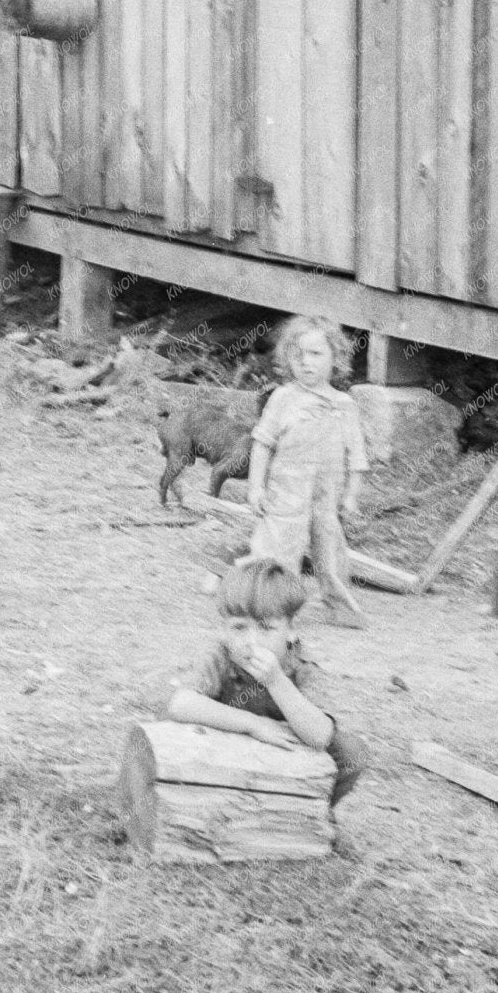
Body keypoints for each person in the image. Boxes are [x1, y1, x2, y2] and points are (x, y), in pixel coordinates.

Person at [164, 558, 367, 804]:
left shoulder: (302, 665)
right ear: (224, 630)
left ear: (291, 630)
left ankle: (315, 813)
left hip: (287, 755)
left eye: (266, 628)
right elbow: (180, 704)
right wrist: (253, 724)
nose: (252, 642)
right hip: (228, 745)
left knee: (351, 751)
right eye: (239, 628)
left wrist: (276, 680)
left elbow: (321, 736)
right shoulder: (221, 656)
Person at [247, 315, 370, 628]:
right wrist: (255, 487)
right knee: (278, 550)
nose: (306, 363)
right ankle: (270, 608)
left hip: (325, 497)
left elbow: (356, 457)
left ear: (335, 358)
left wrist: (352, 496)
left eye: (316, 354)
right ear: (287, 358)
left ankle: (339, 605)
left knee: (330, 552)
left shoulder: (345, 405)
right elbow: (262, 444)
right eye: (297, 354)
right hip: (285, 494)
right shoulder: (282, 399)